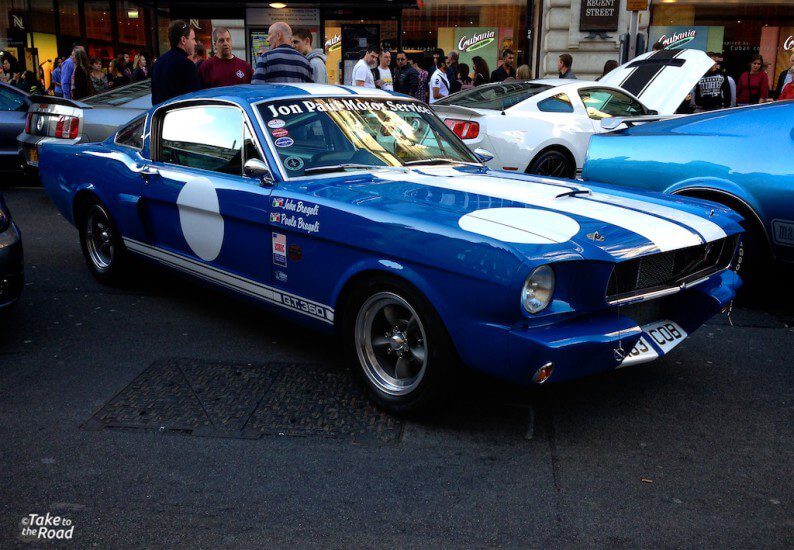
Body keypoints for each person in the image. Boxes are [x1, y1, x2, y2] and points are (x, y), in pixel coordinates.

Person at [150, 20, 201, 105]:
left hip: (161, 116)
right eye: (193, 39)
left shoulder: (158, 63)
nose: (195, 43)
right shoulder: (187, 65)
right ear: (183, 40)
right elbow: (195, 99)